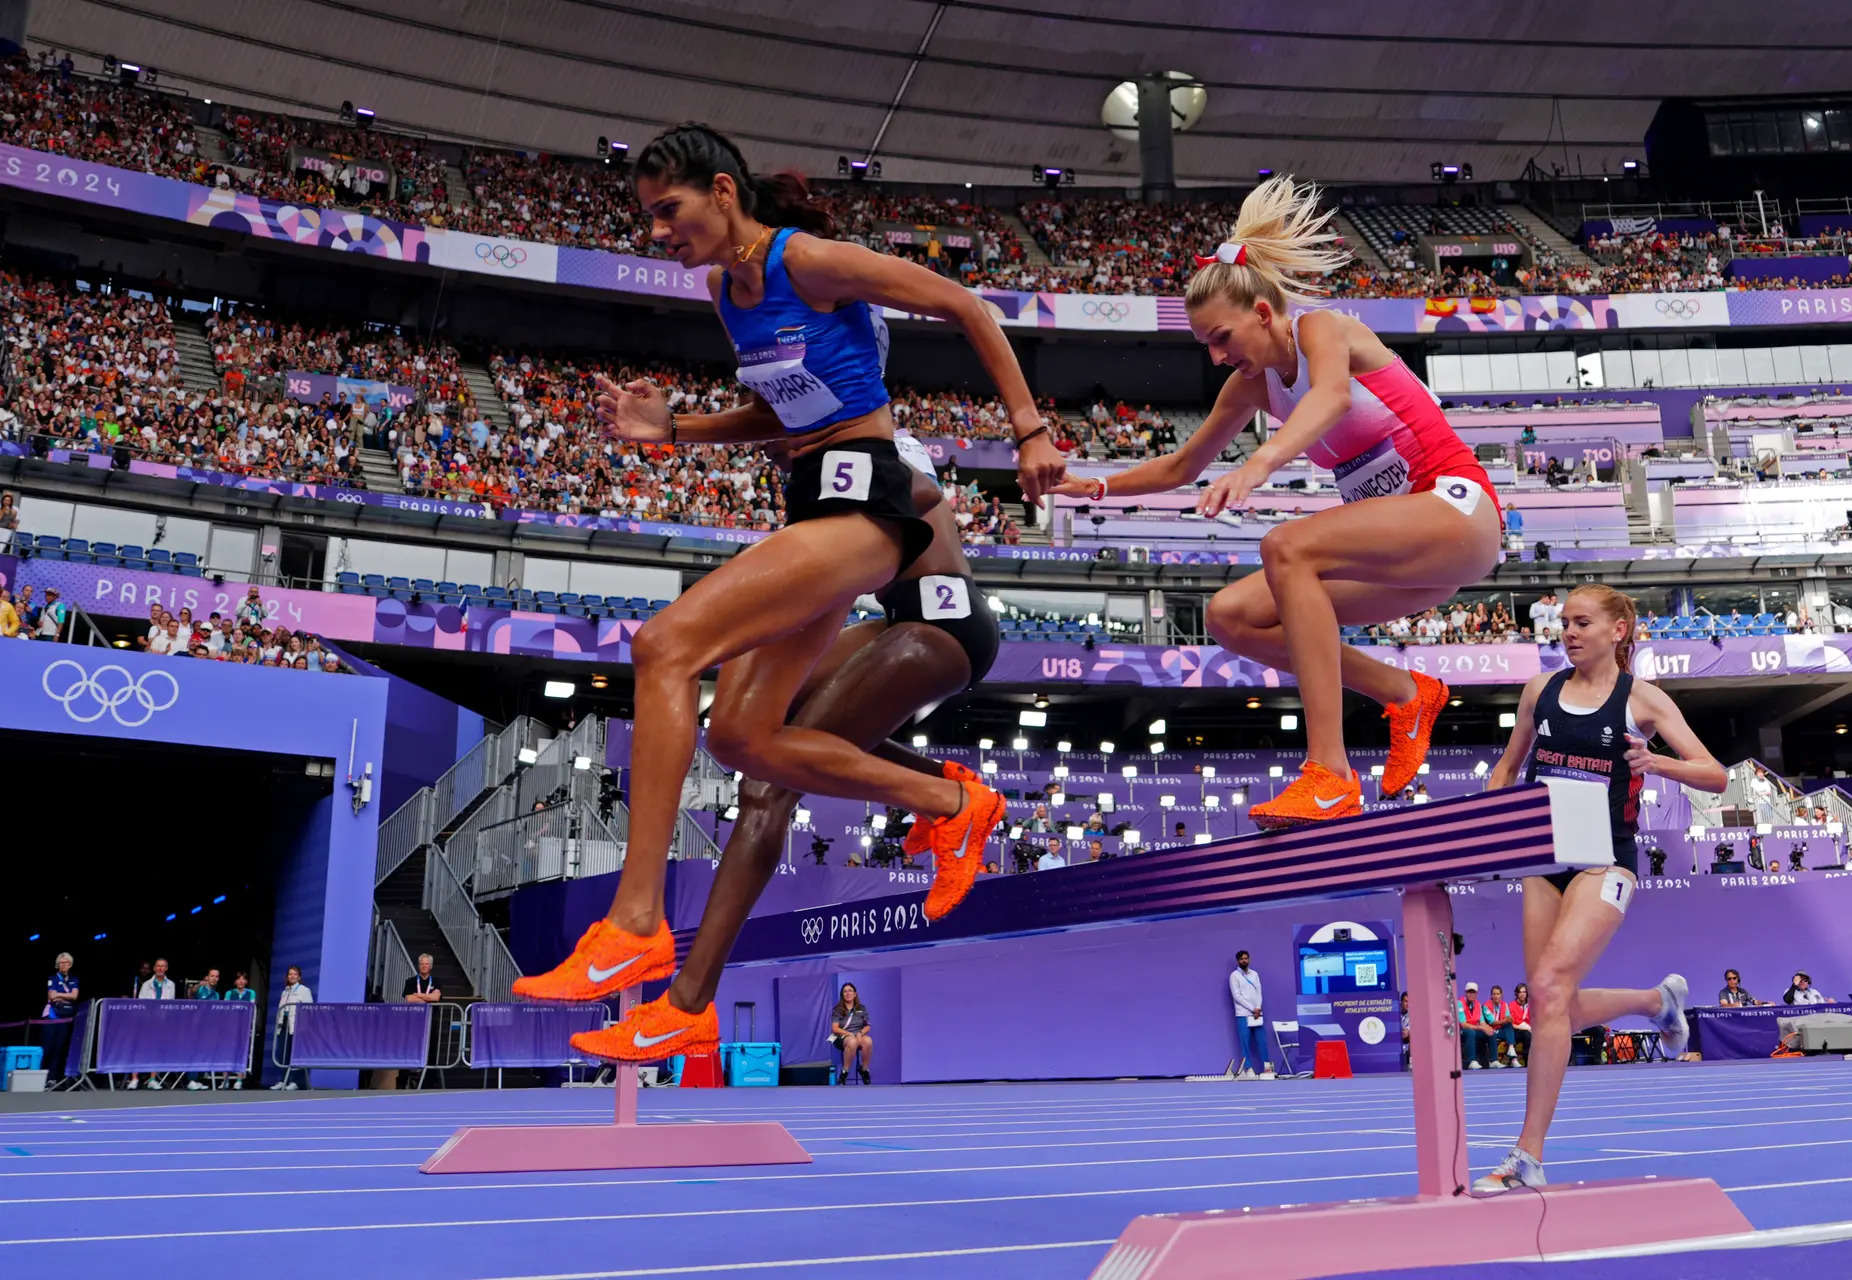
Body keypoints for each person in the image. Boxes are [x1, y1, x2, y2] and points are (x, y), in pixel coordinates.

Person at [515, 123, 1061, 1008]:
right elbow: (784, 413)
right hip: (813, 502)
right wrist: (677, 430)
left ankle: (637, 925)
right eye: (648, 216)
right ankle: (957, 807)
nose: (656, 231)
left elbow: (966, 306)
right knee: (739, 737)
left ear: (724, 193)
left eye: (669, 210)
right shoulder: (728, 296)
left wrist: (1029, 431)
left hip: (871, 498)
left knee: (665, 647)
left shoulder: (806, 261)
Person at [1045, 176, 1501, 828]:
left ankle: (1329, 775)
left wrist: (1259, 464)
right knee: (1232, 616)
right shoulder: (1251, 386)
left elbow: (1332, 398)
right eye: (1205, 344)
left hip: (1456, 511)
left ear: (1263, 313)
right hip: (1403, 554)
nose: (1216, 355)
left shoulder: (1324, 329)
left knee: (1286, 546)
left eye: (1222, 337)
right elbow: (1182, 465)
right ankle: (1404, 693)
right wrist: (1095, 486)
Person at [565, 432, 1001, 1061]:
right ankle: (944, 784)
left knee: (765, 791)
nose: (767, 449)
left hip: (940, 625)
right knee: (763, 734)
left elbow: (919, 496)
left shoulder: (865, 444)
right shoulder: (821, 474)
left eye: (775, 433)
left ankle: (687, 1007)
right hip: (903, 617)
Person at [1473, 585, 1725, 1193]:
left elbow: (1714, 775)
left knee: (1553, 987)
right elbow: (1508, 767)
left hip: (1605, 860)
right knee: (1548, 1002)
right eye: (1564, 624)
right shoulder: (1541, 691)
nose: (1569, 633)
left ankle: (1527, 1154)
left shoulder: (1642, 701)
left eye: (1582, 623)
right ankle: (1654, 1003)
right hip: (1542, 856)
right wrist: (1489, 821)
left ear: (1618, 630)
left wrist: (1656, 763)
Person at [127, 958, 175, 1090]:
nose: (160, 969)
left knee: (155, 1050)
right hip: (146, 1021)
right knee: (138, 1048)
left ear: (166, 968)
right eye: (158, 966)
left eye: (163, 966)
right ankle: (134, 1079)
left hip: (161, 1022)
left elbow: (170, 1003)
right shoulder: (146, 984)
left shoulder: (171, 984)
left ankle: (152, 1079)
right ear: (154, 968)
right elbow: (142, 1003)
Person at [271, 965, 313, 1091]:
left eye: (295, 974)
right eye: (290, 974)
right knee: (282, 1053)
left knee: (294, 1054)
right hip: (283, 1025)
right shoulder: (285, 991)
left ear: (299, 977)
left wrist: (304, 1026)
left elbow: (308, 1009)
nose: (292, 976)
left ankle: (295, 1081)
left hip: (296, 1026)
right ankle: (282, 1080)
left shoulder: (304, 990)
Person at [1229, 950, 1270, 1078]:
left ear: (1249, 959)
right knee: (1245, 1043)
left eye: (1246, 958)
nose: (1244, 961)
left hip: (1257, 1014)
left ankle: (1267, 1069)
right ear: (1238, 961)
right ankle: (1248, 1069)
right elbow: (1237, 996)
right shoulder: (1234, 976)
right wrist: (1252, 1008)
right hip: (1243, 1015)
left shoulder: (1255, 974)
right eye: (1242, 959)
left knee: (1262, 1042)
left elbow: (1259, 992)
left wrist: (1258, 1008)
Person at [41, 952, 79, 1083]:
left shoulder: (74, 980)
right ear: (58, 965)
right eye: (62, 962)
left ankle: (53, 1078)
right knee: (48, 1047)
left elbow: (74, 996)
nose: (64, 965)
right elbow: (51, 997)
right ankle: (41, 1076)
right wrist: (63, 996)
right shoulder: (53, 978)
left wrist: (59, 995)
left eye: (67, 962)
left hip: (65, 1018)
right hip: (51, 1016)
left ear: (70, 964)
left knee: (60, 1048)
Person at [829, 982, 873, 1085]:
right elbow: (835, 1028)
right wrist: (849, 1033)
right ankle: (845, 1072)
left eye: (850, 991)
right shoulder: (837, 1009)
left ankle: (864, 1070)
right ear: (842, 995)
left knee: (868, 1041)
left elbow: (867, 1026)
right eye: (845, 991)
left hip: (858, 1034)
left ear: (855, 994)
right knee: (852, 1042)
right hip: (842, 1036)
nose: (848, 993)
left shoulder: (861, 1008)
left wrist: (860, 1033)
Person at [224, 971, 258, 1089]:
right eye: (239, 979)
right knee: (227, 1052)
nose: (241, 981)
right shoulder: (229, 993)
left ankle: (239, 1080)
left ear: (246, 981)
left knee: (242, 1052)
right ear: (235, 981)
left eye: (243, 979)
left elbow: (252, 1008)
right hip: (230, 1027)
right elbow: (226, 1009)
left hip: (244, 1027)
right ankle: (225, 1080)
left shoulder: (251, 993)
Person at [1458, 982, 1492, 1070]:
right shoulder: (1459, 1003)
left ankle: (1493, 1061)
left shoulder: (1478, 1004)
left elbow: (1482, 1022)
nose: (1471, 994)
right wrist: (1481, 1027)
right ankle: (1471, 1061)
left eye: (1473, 992)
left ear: (1476, 994)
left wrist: (1487, 1028)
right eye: (1469, 992)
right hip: (1462, 1031)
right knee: (1470, 1032)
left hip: (1474, 1030)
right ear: (1465, 993)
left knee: (1491, 1033)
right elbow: (1463, 1024)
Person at [1504, 982, 1533, 1067]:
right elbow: (1511, 1025)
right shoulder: (1511, 1005)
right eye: (1520, 992)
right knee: (1527, 1035)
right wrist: (1526, 1028)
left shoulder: (1531, 1005)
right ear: (1516, 993)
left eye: (1524, 992)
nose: (1522, 994)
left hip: (1529, 1030)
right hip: (1515, 1032)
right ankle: (1527, 1062)